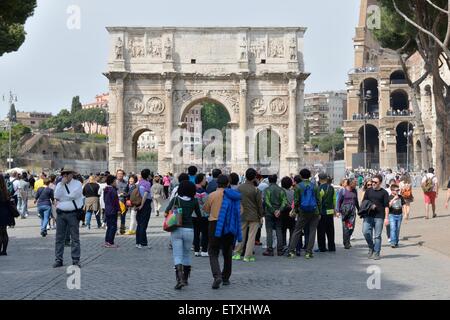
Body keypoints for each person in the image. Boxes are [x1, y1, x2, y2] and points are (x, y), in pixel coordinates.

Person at [203, 174, 242, 289]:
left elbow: (206, 209)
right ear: (228, 184)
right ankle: (226, 277)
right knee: (227, 251)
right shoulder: (233, 196)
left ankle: (217, 275)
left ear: (217, 183)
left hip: (215, 224)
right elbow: (240, 210)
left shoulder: (212, 195)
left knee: (213, 251)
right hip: (229, 225)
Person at [164, 180, 201, 290]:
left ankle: (179, 279)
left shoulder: (176, 199)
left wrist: (173, 214)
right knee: (186, 254)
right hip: (189, 230)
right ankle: (185, 279)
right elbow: (199, 216)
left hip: (176, 229)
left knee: (177, 255)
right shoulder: (194, 201)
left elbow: (166, 212)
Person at [287, 169, 322, 259]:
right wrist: (319, 212)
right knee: (312, 231)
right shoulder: (314, 186)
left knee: (297, 230)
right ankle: (308, 252)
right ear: (310, 176)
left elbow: (297, 200)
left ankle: (291, 251)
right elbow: (319, 200)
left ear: (301, 176)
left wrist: (295, 210)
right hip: (314, 211)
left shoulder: (298, 187)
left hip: (302, 211)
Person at [53, 168, 83, 268]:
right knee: (59, 238)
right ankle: (58, 259)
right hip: (61, 213)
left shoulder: (77, 184)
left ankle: (75, 260)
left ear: (71, 175)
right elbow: (56, 196)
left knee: (75, 238)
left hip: (73, 213)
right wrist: (61, 185)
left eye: (67, 174)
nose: (65, 176)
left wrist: (63, 198)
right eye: (63, 174)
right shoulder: (59, 185)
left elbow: (74, 196)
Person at [233, 168, 264, 262]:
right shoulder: (256, 190)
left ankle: (237, 253)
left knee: (241, 235)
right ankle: (247, 255)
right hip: (254, 215)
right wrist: (261, 216)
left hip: (242, 214)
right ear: (254, 177)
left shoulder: (239, 188)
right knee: (251, 237)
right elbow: (259, 205)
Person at [362, 174, 389, 260]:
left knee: (377, 236)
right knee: (365, 232)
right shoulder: (368, 191)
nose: (373, 183)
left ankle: (377, 252)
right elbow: (364, 202)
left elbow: (386, 206)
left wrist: (386, 218)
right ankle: (371, 247)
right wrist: (369, 206)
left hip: (379, 217)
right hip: (368, 216)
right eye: (372, 181)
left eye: (375, 182)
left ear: (380, 183)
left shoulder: (384, 193)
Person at [262, 174, 287, 257]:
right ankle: (280, 250)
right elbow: (284, 202)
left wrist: (273, 210)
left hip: (269, 213)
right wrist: (279, 210)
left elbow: (267, 201)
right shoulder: (281, 190)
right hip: (279, 213)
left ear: (269, 180)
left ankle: (270, 250)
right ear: (276, 180)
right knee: (279, 230)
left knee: (269, 231)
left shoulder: (266, 190)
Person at [336, 178, 359, 249]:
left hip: (352, 211)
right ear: (350, 183)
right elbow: (338, 201)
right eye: (355, 183)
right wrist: (337, 211)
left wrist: (359, 210)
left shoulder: (355, 190)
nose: (356, 184)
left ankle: (347, 239)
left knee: (351, 227)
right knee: (345, 227)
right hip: (345, 211)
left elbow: (356, 201)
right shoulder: (342, 191)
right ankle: (346, 243)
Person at [316, 173, 336, 252]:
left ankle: (322, 247)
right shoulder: (331, 188)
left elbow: (319, 201)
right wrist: (334, 209)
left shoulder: (319, 188)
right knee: (330, 230)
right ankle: (332, 247)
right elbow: (334, 199)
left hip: (322, 212)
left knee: (321, 230)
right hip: (330, 212)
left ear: (320, 179)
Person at [136, 169, 152, 249]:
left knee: (139, 223)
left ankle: (138, 242)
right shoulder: (147, 183)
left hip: (138, 203)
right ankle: (143, 243)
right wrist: (142, 205)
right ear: (148, 175)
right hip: (145, 204)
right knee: (143, 224)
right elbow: (145, 195)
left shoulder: (139, 183)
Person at [193, 173, 209, 257]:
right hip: (203, 215)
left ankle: (196, 250)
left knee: (196, 232)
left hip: (194, 215)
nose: (205, 180)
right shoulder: (202, 191)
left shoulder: (192, 190)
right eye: (204, 179)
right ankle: (204, 250)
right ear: (201, 180)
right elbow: (206, 203)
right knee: (204, 233)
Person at [0, 174, 16, 256]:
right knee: (4, 232)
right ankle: (4, 250)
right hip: (5, 213)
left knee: (0, 232)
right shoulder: (6, 191)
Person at [103, 175, 120, 248]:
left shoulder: (106, 189)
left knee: (109, 226)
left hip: (107, 209)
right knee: (113, 226)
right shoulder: (112, 190)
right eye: (115, 181)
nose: (116, 182)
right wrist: (118, 209)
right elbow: (115, 202)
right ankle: (110, 242)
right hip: (113, 210)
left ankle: (107, 241)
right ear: (112, 182)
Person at [280, 176, 295, 254]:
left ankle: (283, 245)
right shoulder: (293, 192)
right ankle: (291, 246)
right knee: (292, 229)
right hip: (291, 213)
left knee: (283, 230)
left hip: (283, 213)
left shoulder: (280, 191)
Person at [388, 184, 405, 248]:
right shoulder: (389, 197)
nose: (398, 191)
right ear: (392, 191)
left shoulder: (400, 197)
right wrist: (393, 199)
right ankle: (392, 242)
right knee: (393, 228)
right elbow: (388, 205)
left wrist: (405, 213)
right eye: (396, 190)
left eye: (398, 190)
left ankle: (396, 242)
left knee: (397, 229)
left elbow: (403, 205)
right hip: (392, 214)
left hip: (399, 214)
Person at [116, 169, 128, 235]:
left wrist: (124, 194)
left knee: (123, 217)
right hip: (115, 202)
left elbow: (128, 193)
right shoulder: (114, 182)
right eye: (118, 173)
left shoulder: (126, 183)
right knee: (115, 217)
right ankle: (115, 230)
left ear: (123, 175)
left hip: (123, 202)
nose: (120, 175)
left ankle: (122, 229)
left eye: (121, 173)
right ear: (116, 174)